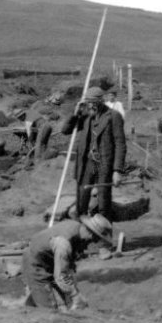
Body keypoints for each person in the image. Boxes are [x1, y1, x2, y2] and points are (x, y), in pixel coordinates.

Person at [60, 86, 127, 223]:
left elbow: (120, 144)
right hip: (86, 163)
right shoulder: (84, 117)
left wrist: (117, 170)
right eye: (86, 103)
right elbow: (65, 130)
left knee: (103, 200)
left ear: (99, 102)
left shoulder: (113, 116)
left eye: (91, 103)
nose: (88, 106)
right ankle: (82, 230)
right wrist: (75, 114)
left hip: (104, 164)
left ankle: (104, 234)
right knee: (82, 197)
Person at [22, 214, 112, 310]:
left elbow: (67, 268)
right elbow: (61, 277)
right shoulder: (64, 244)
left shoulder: (76, 227)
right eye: (96, 239)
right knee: (49, 310)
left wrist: (73, 291)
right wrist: (75, 295)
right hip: (36, 264)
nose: (93, 243)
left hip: (49, 260)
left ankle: (33, 303)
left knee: (65, 299)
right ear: (91, 235)